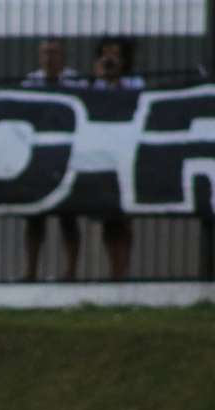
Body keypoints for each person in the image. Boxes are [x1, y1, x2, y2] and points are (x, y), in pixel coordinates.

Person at [20, 39, 83, 282]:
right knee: (35, 217)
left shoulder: (76, 81)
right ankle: (31, 270)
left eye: (54, 53)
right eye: (45, 53)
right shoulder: (30, 82)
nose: (49, 58)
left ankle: (71, 270)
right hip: (37, 157)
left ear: (63, 56)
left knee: (68, 214)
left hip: (68, 155)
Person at [91, 37, 144, 281]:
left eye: (115, 55)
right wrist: (101, 80)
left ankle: (123, 268)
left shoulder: (135, 82)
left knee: (124, 217)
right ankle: (114, 268)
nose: (110, 60)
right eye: (105, 54)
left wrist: (115, 82)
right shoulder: (94, 84)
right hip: (102, 155)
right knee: (108, 217)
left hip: (126, 155)